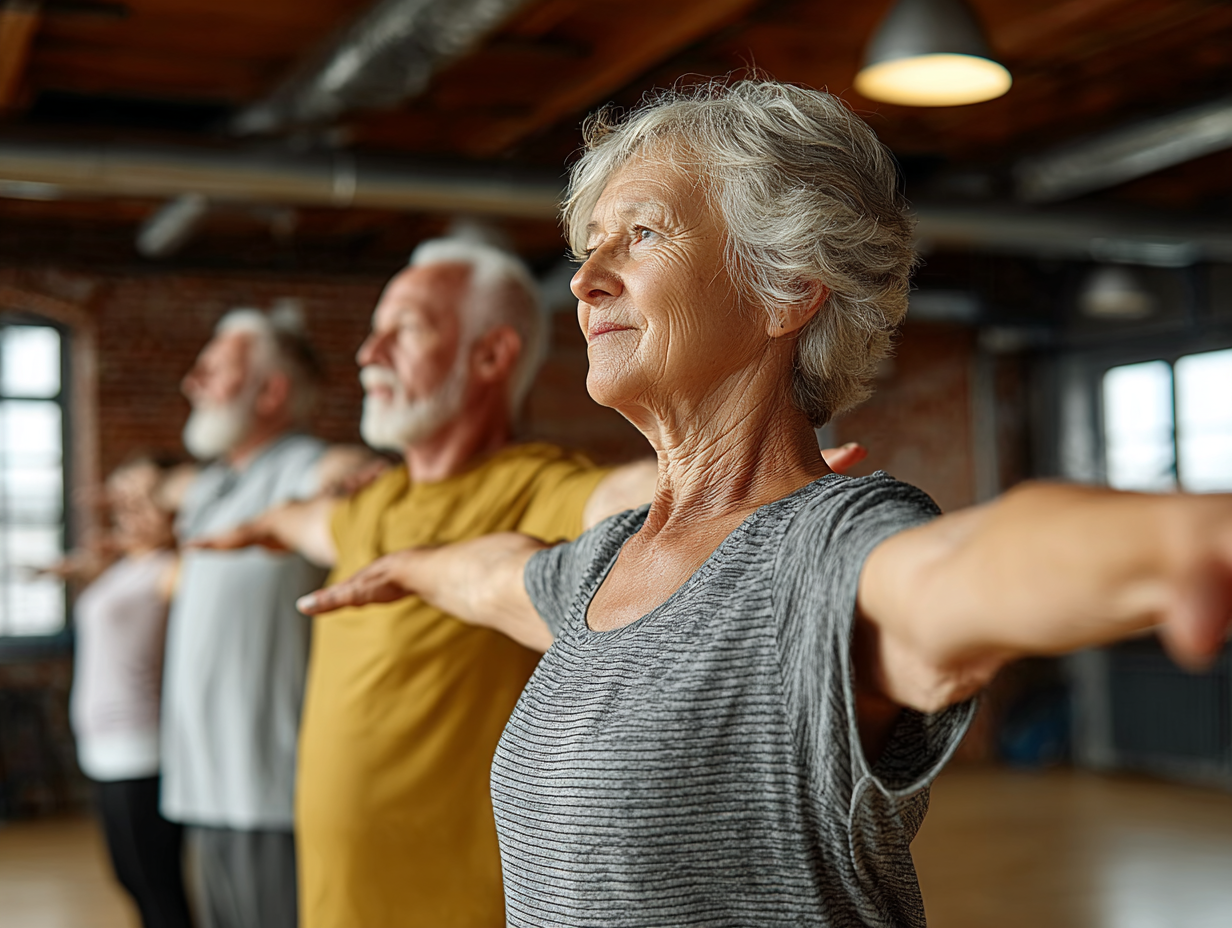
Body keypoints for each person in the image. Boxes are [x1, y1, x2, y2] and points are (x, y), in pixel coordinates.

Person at [302, 81, 1232, 928]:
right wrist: (402, 569)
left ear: (785, 288)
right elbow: (494, 575)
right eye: (590, 250)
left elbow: (959, 569)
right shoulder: (606, 562)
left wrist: (1183, 539)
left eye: (644, 235)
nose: (586, 281)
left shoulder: (817, 551)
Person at [195, 236, 871, 926]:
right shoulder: (370, 502)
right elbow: (304, 520)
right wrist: (253, 524)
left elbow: (619, 496)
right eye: (374, 333)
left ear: (491, 356)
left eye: (406, 331)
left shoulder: (532, 485)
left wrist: (752, 485)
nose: (370, 355)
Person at [160, 306, 373, 928]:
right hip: (201, 782)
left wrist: (357, 477)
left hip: (266, 786)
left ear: (271, 391)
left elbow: (346, 471)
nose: (191, 382)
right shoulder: (215, 484)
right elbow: (168, 489)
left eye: (213, 369)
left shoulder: (299, 463)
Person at [66, 456, 193, 928]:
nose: (128, 509)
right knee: (130, 878)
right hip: (101, 743)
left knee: (155, 883)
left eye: (143, 497)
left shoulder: (173, 566)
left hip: (140, 743)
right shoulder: (125, 565)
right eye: (121, 497)